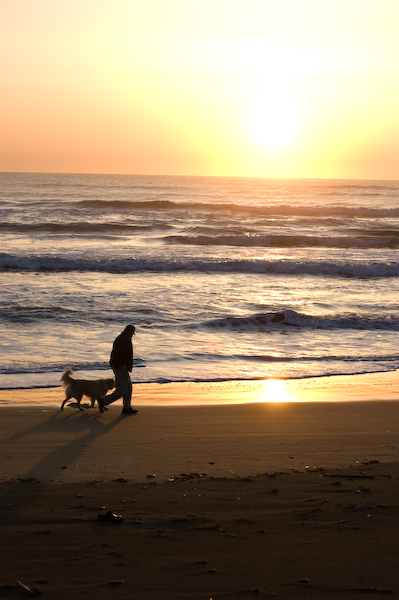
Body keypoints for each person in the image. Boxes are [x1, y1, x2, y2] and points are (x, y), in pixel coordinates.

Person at [98, 324, 138, 415]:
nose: (132, 335)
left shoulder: (121, 338)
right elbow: (122, 353)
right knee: (121, 389)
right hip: (121, 367)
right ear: (130, 332)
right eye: (132, 333)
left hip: (118, 365)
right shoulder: (125, 339)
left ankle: (127, 407)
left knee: (128, 388)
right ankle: (103, 401)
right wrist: (123, 365)